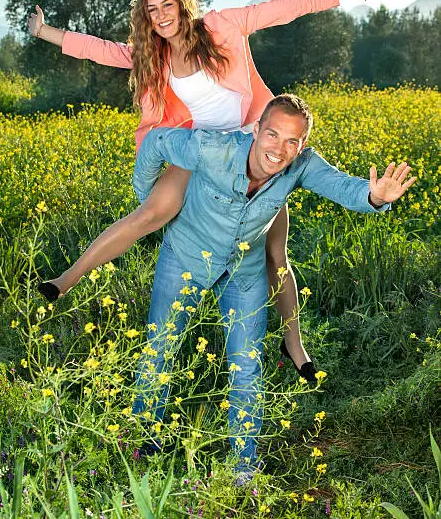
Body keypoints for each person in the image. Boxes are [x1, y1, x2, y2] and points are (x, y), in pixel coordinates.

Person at [31, 0, 369, 379]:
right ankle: (65, 280)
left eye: (166, 5)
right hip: (202, 150)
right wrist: (46, 32)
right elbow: (103, 50)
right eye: (151, 10)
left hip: (250, 144)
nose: (160, 16)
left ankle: (294, 345)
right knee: (150, 215)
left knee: (275, 251)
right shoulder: (153, 53)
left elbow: (277, 10)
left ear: (182, 4)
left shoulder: (221, 26)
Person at [130, 93, 416, 484]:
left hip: (243, 272)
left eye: (292, 141)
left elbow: (340, 185)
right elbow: (157, 142)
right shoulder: (213, 149)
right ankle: (144, 442)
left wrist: (374, 197)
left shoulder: (300, 165)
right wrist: (146, 198)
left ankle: (244, 465)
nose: (279, 149)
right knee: (159, 348)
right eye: (273, 135)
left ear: (301, 146)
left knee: (247, 366)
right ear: (256, 130)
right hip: (184, 256)